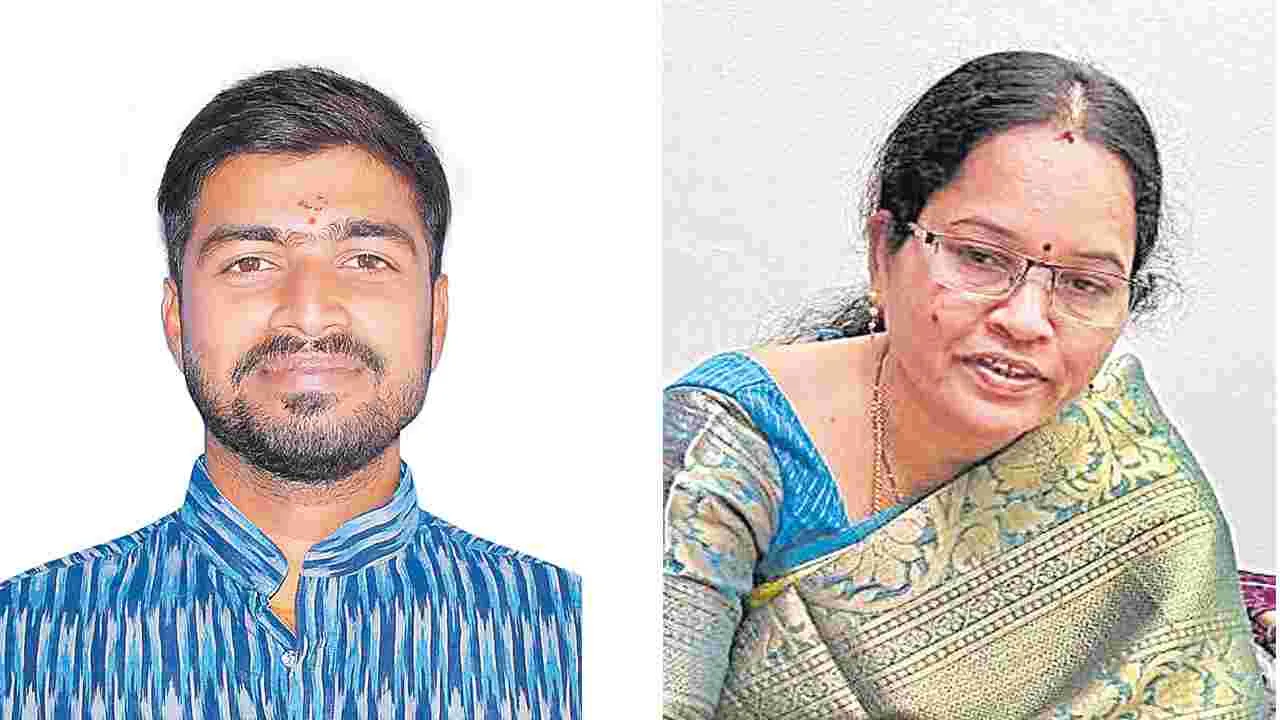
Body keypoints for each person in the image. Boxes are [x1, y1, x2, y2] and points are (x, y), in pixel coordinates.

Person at [663, 51, 1265, 719]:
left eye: (1084, 284)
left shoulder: (1140, 495)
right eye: (979, 257)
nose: (1026, 320)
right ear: (883, 251)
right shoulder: (730, 448)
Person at [0, 67, 581, 718]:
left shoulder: (572, 641)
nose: (309, 314)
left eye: (366, 260)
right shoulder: (21, 644)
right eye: (250, 263)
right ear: (176, 317)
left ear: (436, 317)